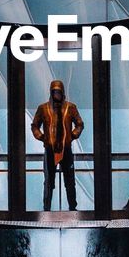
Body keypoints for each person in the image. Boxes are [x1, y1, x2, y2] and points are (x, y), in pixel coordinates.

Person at [31, 79, 84, 211]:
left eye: (59, 92)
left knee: (70, 181)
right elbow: (35, 126)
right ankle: (46, 209)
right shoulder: (43, 108)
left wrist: (72, 135)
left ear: (63, 92)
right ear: (51, 92)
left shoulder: (70, 107)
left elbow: (80, 124)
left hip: (66, 150)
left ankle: (72, 207)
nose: (57, 95)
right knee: (49, 182)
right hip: (50, 150)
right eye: (54, 92)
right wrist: (42, 137)